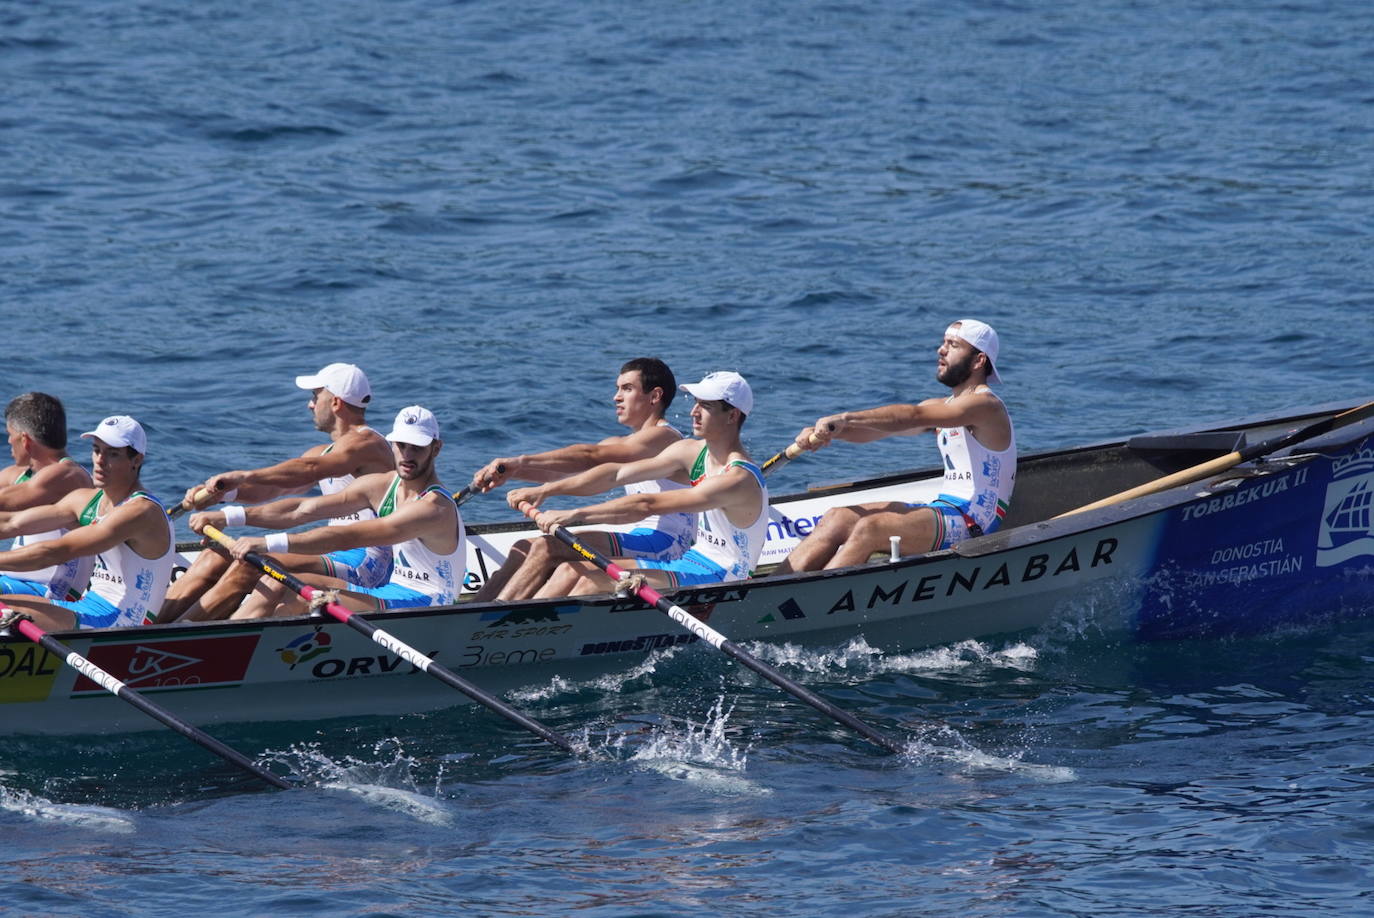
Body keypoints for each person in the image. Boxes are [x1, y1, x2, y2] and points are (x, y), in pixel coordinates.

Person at [158, 363, 395, 622]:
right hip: (334, 550)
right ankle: (148, 627)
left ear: (335, 402)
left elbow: (308, 469)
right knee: (214, 557)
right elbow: (277, 486)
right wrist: (222, 494)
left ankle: (180, 637)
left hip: (367, 562)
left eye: (315, 396)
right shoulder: (324, 452)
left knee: (248, 565)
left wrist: (244, 476)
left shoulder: (367, 444)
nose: (310, 405)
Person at [774, 319, 1015, 573]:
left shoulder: (986, 406)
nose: (941, 350)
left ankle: (814, 595)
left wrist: (845, 418)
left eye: (953, 345)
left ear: (978, 361)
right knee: (837, 518)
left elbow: (912, 416)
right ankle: (769, 590)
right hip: (945, 508)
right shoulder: (942, 407)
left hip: (973, 521)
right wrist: (827, 432)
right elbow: (878, 430)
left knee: (872, 528)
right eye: (944, 342)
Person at [190, 406, 464, 618]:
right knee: (277, 582)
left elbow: (347, 537)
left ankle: (238, 651)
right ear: (392, 444)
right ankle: (224, 640)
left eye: (417, 447)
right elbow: (301, 509)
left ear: (436, 449)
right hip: (390, 590)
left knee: (297, 593)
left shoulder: (433, 508)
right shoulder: (381, 485)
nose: (407, 455)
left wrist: (265, 543)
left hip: (427, 603)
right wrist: (227, 516)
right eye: (401, 445)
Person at [513, 371, 768, 598]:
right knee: (570, 570)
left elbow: (647, 504)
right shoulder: (690, 451)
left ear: (732, 415)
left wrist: (576, 514)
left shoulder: (738, 479)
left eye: (706, 406)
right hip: (690, 560)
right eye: (696, 403)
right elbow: (617, 474)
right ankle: (513, 625)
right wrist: (546, 490)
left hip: (724, 577)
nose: (694, 412)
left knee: (591, 583)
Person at [469, 357, 693, 601]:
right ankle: (470, 613)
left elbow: (589, 456)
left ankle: (496, 617)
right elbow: (567, 471)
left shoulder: (665, 438)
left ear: (655, 396)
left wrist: (526, 468)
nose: (616, 397)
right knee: (523, 547)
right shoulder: (622, 444)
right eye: (617, 388)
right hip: (640, 536)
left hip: (669, 545)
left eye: (627, 389)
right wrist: (512, 471)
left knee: (547, 547)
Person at [0, 416, 175, 631]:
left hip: (122, 622)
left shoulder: (141, 512)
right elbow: (12, 523)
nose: (100, 460)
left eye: (113, 454)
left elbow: (54, 552)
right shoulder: (85, 499)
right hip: (87, 606)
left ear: (136, 460)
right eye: (96, 450)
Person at [0, 393, 96, 601]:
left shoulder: (68, 475)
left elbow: (5, 501)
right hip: (13, 579)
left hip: (50, 590)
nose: (8, 441)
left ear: (25, 440)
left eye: (9, 434)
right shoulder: (19, 475)